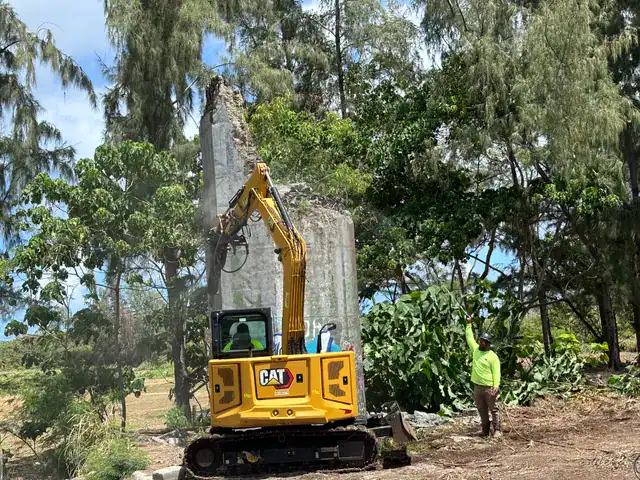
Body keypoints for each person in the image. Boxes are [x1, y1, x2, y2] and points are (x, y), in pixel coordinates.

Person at [465, 315, 501, 438]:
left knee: (494, 409)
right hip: (478, 387)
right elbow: (469, 338)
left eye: (482, 341)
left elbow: (496, 372)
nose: (480, 342)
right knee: (481, 410)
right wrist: (468, 324)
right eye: (479, 340)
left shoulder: (492, 356)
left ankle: (497, 430)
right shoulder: (475, 350)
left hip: (489, 387)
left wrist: (496, 385)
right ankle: (485, 431)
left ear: (487, 344)